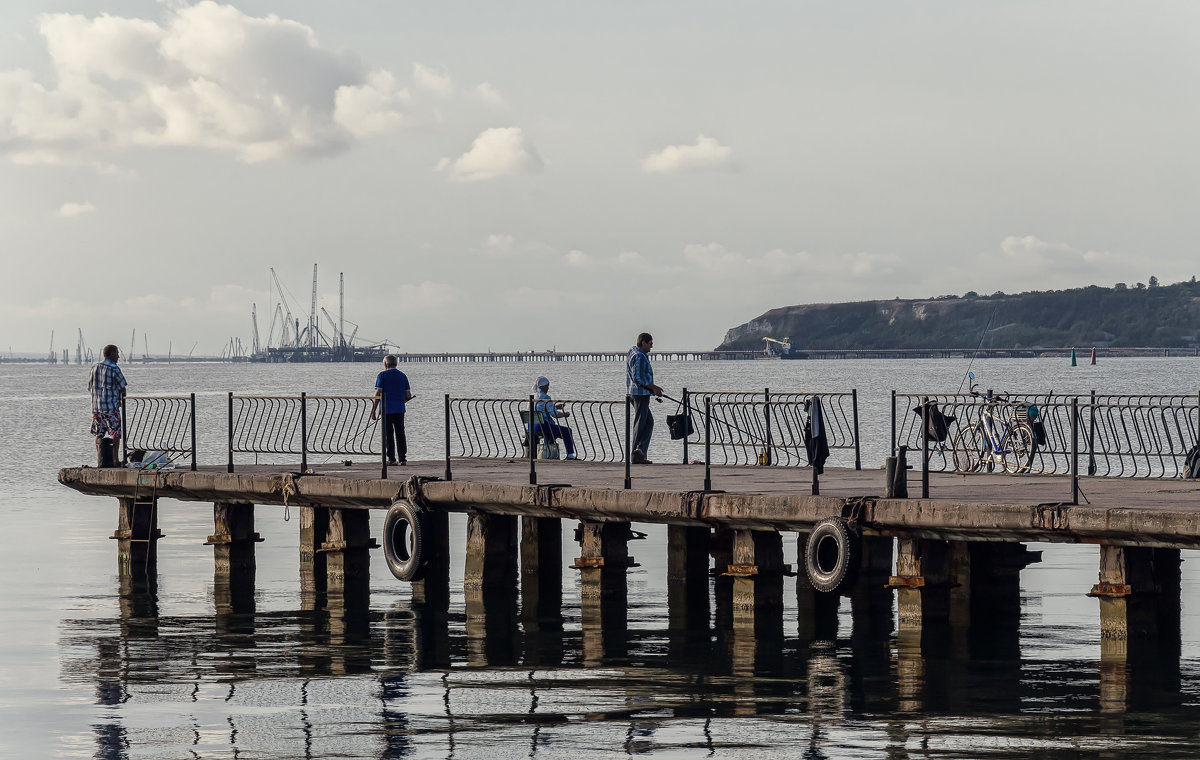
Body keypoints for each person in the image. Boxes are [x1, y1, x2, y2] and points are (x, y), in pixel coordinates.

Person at [626, 332, 663, 463]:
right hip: (640, 395)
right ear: (643, 342)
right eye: (650, 344)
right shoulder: (640, 356)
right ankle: (635, 455)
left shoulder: (632, 351)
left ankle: (640, 452)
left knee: (648, 422)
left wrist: (653, 388)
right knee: (640, 424)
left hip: (634, 393)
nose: (651, 347)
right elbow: (638, 378)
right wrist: (653, 388)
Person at [88, 344, 127, 467]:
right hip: (111, 407)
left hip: (96, 408)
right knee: (115, 433)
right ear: (111, 354)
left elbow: (90, 387)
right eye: (117, 353)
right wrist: (121, 400)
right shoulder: (114, 368)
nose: (118, 356)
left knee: (99, 433)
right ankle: (115, 460)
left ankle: (101, 459)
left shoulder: (94, 367)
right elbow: (122, 387)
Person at [371, 355, 413, 465]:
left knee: (388, 434)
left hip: (386, 409)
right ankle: (402, 459)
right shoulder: (403, 376)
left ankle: (391, 459)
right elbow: (408, 395)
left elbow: (378, 393)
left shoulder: (382, 375)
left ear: (385, 364)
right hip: (400, 409)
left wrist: (373, 410)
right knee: (400, 433)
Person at [533, 376, 577, 460]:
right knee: (567, 431)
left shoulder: (534, 396)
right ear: (542, 386)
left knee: (552, 432)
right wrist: (565, 414)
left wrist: (555, 407)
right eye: (547, 386)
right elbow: (555, 415)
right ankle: (570, 455)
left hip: (532, 426)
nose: (548, 388)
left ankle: (548, 454)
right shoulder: (546, 398)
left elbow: (541, 409)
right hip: (543, 425)